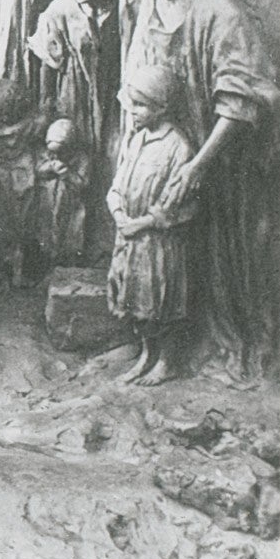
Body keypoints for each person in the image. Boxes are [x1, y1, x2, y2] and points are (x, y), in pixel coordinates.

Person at [108, 0, 280, 382]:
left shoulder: (218, 9)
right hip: (161, 155)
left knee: (217, 258)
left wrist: (198, 165)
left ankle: (210, 345)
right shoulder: (147, 3)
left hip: (215, 159)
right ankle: (157, 347)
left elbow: (243, 97)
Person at [26, 0, 123, 259]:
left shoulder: (122, 7)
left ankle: (109, 245)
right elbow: (48, 61)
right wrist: (46, 105)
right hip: (74, 96)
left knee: (112, 162)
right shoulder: (60, 10)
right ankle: (72, 248)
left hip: (113, 98)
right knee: (76, 166)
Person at [106, 62, 200, 386]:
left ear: (162, 107)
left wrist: (144, 223)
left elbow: (183, 205)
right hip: (130, 240)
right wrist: (119, 215)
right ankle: (146, 354)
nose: (133, 111)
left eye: (141, 105)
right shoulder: (135, 140)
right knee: (136, 304)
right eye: (131, 103)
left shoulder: (179, 146)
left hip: (160, 243)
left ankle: (167, 361)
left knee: (162, 303)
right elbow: (117, 185)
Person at [0, 79, 41, 291]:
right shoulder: (25, 125)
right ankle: (4, 274)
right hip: (2, 178)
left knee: (17, 228)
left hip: (15, 176)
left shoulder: (22, 125)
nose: (0, 117)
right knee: (3, 227)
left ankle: (16, 274)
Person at [34, 119, 90, 268]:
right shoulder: (48, 156)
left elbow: (83, 183)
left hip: (71, 205)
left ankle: (68, 265)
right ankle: (47, 264)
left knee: (70, 235)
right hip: (49, 203)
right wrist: (50, 168)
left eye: (61, 151)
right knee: (47, 234)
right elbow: (38, 171)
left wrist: (68, 174)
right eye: (53, 152)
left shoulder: (82, 159)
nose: (57, 156)